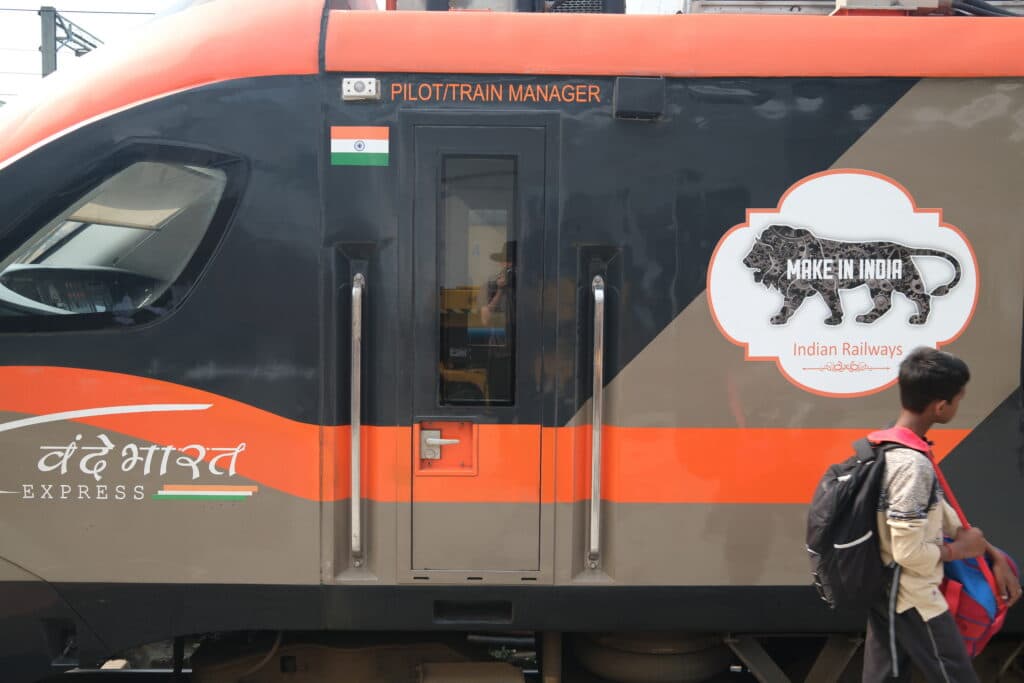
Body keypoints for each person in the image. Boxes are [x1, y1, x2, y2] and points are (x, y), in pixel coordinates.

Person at [862, 347, 1021, 682]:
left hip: (891, 594)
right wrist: (958, 551)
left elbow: (942, 513)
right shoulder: (911, 464)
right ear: (941, 406)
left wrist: (991, 553)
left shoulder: (891, 443)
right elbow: (908, 553)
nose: (958, 406)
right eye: (958, 399)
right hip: (916, 598)